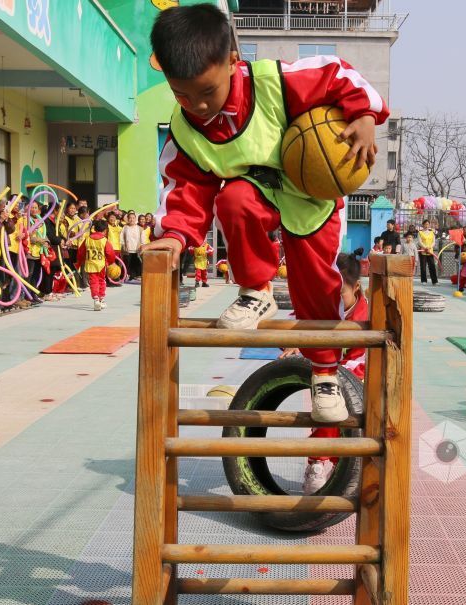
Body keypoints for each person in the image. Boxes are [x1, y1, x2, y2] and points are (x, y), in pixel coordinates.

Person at [143, 4, 386, 423]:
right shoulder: (185, 130)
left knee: (315, 285)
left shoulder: (274, 83)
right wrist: (176, 234)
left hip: (311, 199)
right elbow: (184, 186)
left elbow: (337, 73)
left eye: (207, 92)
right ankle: (256, 291)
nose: (197, 106)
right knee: (232, 199)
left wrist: (364, 115)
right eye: (182, 94)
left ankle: (325, 371)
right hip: (257, 193)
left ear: (234, 62)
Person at [282, 248, 369, 494]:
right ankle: (319, 462)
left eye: (341, 294)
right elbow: (295, 320)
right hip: (328, 375)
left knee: (341, 417)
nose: (336, 302)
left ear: (357, 289)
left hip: (358, 377)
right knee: (326, 410)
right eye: (330, 294)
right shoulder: (325, 307)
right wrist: (294, 340)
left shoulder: (365, 318)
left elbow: (358, 358)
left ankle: (332, 465)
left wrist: (332, 369)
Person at [76, 218, 116, 311]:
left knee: (93, 282)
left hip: (90, 265)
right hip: (101, 265)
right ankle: (101, 299)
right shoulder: (104, 240)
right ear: (105, 230)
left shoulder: (87, 239)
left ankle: (96, 299)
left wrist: (79, 261)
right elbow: (110, 253)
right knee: (102, 281)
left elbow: (81, 252)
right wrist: (111, 262)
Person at [121, 211, 143, 281]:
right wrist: (124, 246)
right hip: (128, 249)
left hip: (137, 249)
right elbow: (121, 238)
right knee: (127, 263)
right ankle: (126, 276)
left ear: (135, 219)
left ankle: (136, 275)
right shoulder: (125, 227)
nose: (131, 219)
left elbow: (143, 239)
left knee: (136, 263)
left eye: (133, 218)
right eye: (130, 218)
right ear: (127, 219)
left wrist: (142, 246)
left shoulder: (139, 228)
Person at [417, 219, 438, 285]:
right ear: (423, 225)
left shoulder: (432, 232)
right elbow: (419, 242)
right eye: (425, 224)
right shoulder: (420, 232)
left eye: (428, 224)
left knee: (432, 266)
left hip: (430, 251)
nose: (426, 226)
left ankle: (435, 281)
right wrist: (425, 247)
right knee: (423, 266)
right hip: (423, 251)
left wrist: (430, 247)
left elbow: (433, 242)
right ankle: (424, 280)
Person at [106, 213, 124, 288]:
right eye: (111, 217)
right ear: (108, 219)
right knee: (110, 266)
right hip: (110, 249)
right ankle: (109, 281)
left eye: (113, 217)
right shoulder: (106, 227)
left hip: (118, 249)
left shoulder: (120, 228)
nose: (112, 219)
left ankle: (116, 280)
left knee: (117, 266)